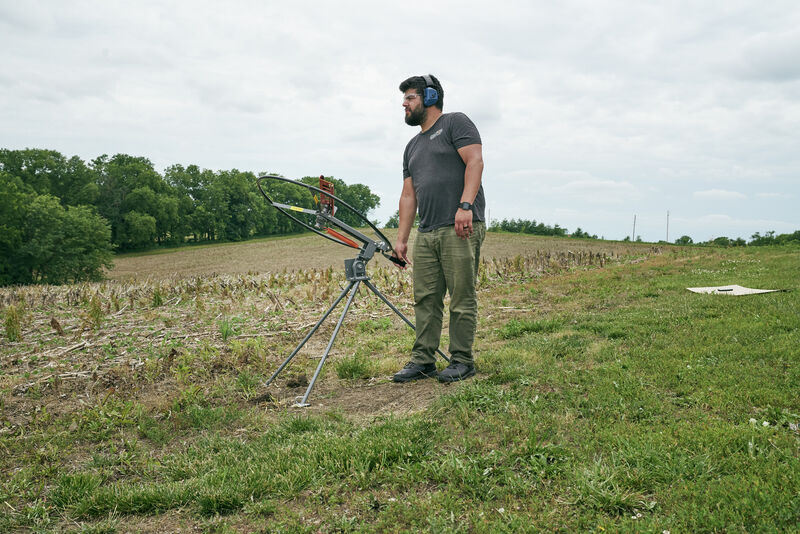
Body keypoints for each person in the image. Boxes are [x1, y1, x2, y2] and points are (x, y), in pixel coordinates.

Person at [391, 74, 486, 383]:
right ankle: (423, 360)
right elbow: (409, 195)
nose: (404, 104)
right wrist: (402, 239)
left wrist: (465, 206)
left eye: (410, 97)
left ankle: (462, 360)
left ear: (430, 98)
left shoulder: (455, 123)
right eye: (404, 98)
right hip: (427, 231)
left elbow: (475, 162)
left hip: (459, 226)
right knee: (426, 299)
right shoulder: (411, 147)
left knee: (461, 297)